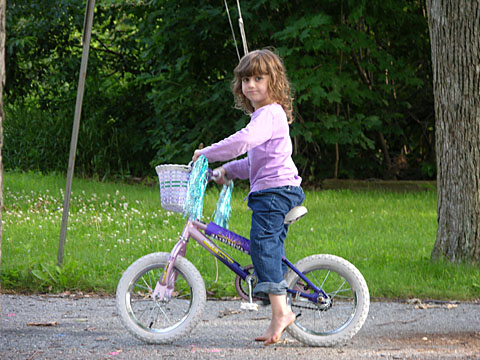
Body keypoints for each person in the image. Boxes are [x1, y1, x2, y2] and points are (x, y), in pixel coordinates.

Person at [192, 48, 304, 345]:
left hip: (275, 194)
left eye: (258, 78)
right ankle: (277, 313)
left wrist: (207, 153)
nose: (250, 84)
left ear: (274, 81)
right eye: (245, 79)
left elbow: (242, 141)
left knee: (262, 245)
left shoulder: (270, 113)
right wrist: (226, 171)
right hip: (275, 191)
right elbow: (252, 161)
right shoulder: (264, 115)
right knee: (266, 249)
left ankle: (281, 312)